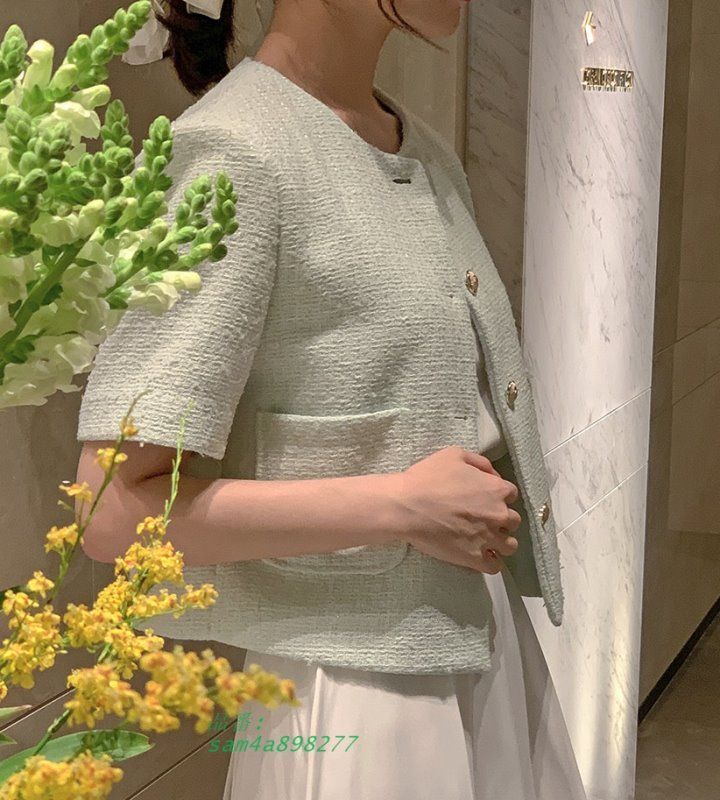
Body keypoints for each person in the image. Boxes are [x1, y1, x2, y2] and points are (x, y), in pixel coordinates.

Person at [75, 1, 589, 798]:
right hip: (359, 694)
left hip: (472, 649)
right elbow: (111, 511)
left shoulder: (419, 147)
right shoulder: (233, 149)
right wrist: (401, 507)